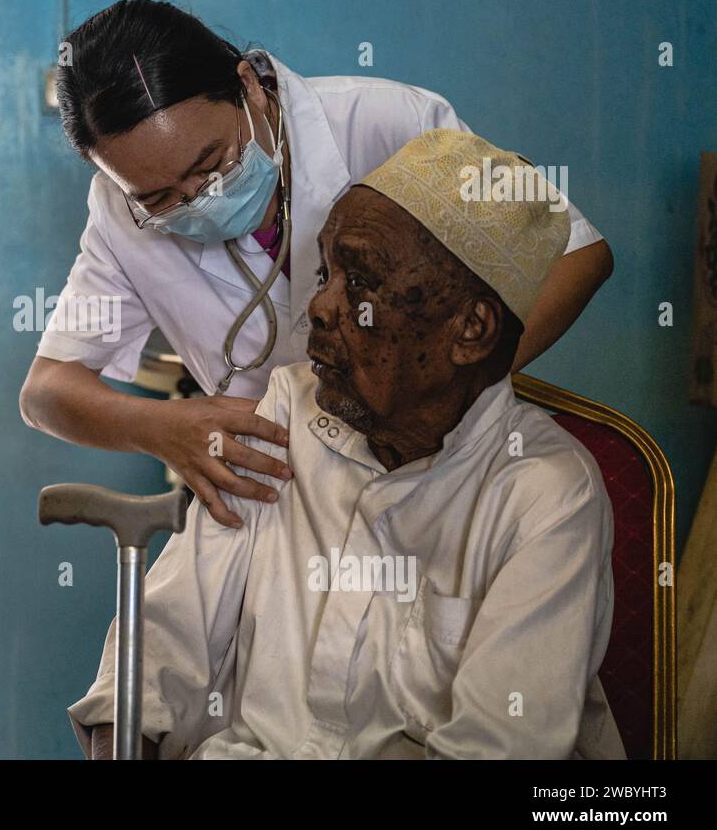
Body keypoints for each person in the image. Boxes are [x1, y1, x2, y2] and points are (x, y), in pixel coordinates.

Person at [68, 130, 624, 760]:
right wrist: (123, 736)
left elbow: (495, 749)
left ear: (470, 330)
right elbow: (163, 644)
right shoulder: (287, 411)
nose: (320, 308)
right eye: (325, 273)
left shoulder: (545, 493)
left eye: (360, 282)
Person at [20, 0, 614, 528]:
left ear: (249, 87)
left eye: (212, 163)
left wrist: (435, 396)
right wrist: (162, 428)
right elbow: (46, 391)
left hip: (439, 468)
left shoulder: (387, 122)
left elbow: (580, 255)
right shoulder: (117, 211)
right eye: (159, 199)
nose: (198, 199)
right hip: (278, 495)